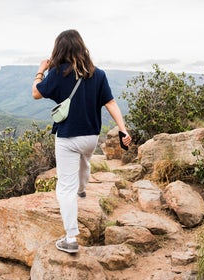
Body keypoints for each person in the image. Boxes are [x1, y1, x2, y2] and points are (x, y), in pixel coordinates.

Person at [32, 29, 132, 254]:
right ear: (81, 47)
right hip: (91, 137)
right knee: (85, 162)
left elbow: (36, 93)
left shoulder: (57, 74)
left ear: (59, 49)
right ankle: (83, 188)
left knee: (64, 189)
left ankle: (70, 238)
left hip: (68, 137)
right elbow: (111, 103)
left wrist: (40, 71)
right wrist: (123, 130)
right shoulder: (98, 74)